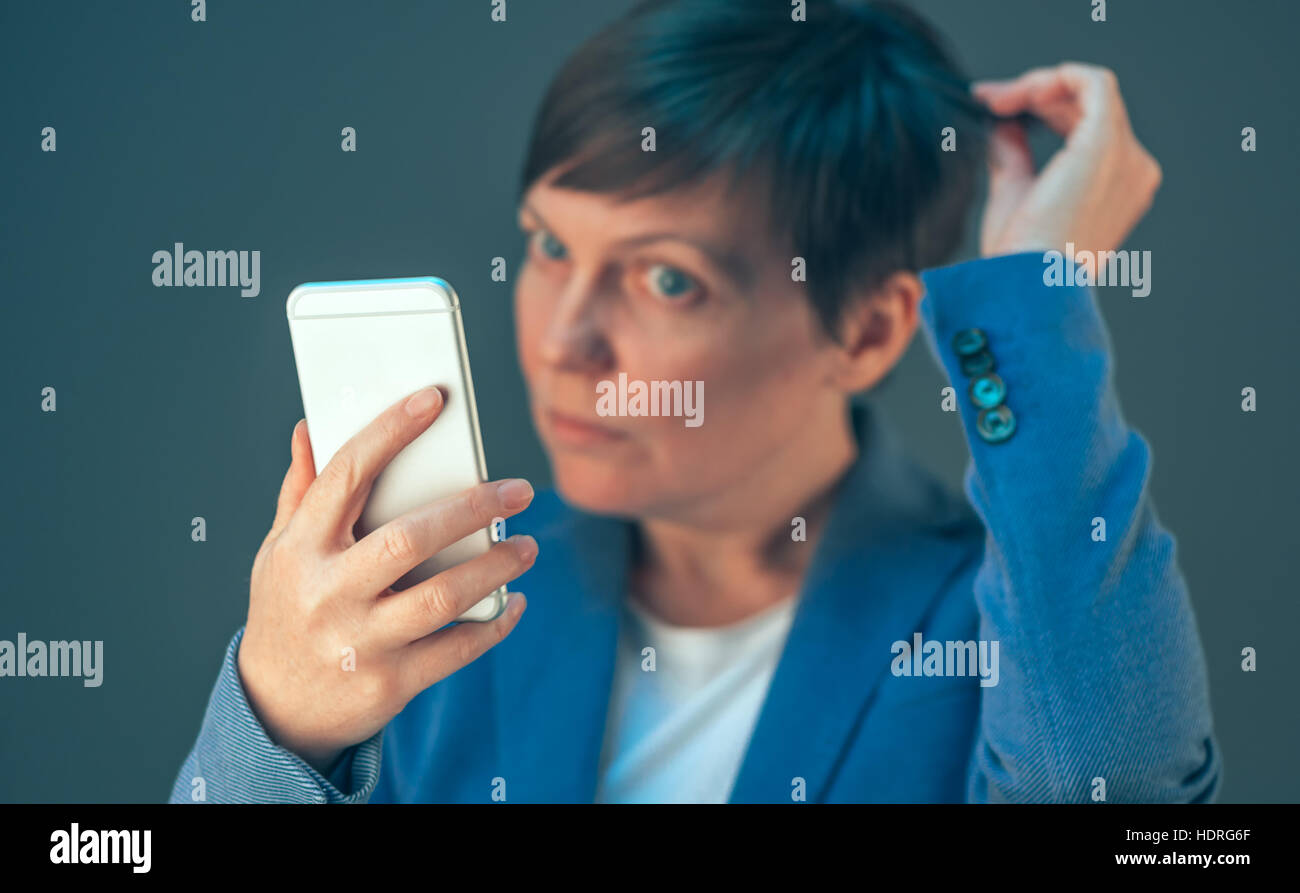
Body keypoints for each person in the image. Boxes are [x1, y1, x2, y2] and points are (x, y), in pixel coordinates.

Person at [171, 0, 1220, 803]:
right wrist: (279, 718)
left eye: (666, 277)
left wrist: (1029, 298)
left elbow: (1118, 792)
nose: (559, 341)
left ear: (862, 330)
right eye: (549, 246)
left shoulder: (1001, 624)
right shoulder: (430, 604)